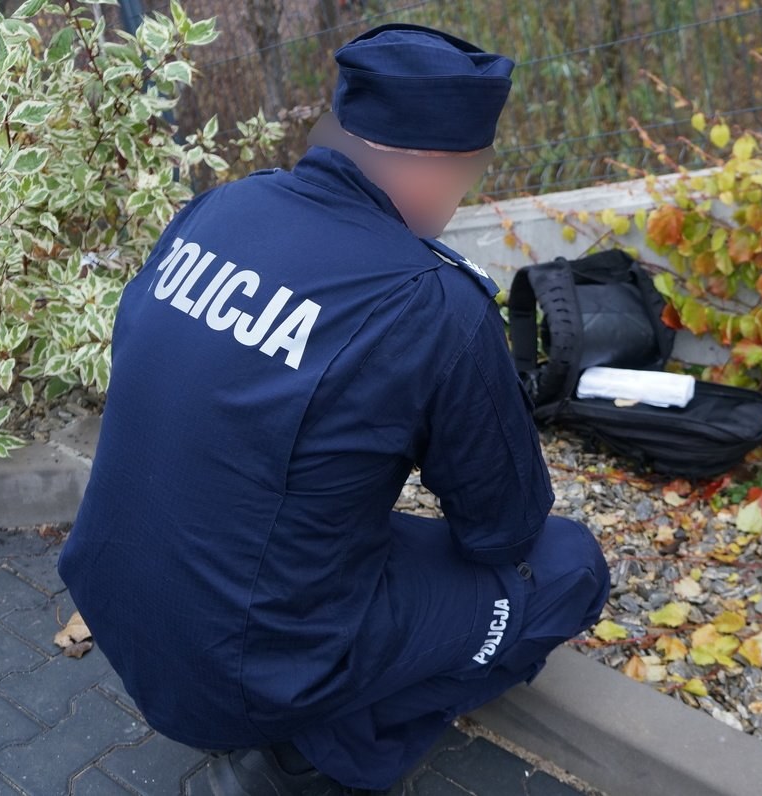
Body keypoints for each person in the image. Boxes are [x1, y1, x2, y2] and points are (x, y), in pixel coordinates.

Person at [56, 22, 611, 796]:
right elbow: (503, 528)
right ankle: (307, 761)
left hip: (114, 597)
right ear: (436, 167)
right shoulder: (431, 300)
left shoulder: (220, 209)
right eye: (468, 178)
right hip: (239, 675)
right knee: (567, 567)